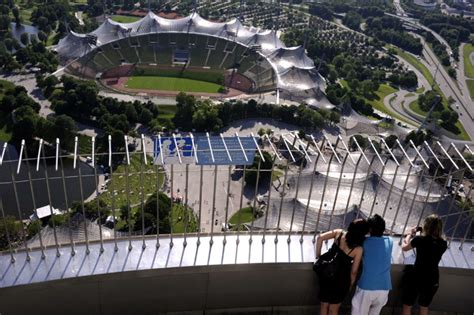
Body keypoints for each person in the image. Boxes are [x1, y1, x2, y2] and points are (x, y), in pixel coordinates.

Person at [315, 219, 369, 315]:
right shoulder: (358, 249)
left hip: (327, 275)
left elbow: (320, 238)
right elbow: (354, 271)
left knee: (324, 305)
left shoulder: (339, 233)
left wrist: (318, 256)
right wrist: (350, 285)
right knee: (333, 309)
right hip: (341, 280)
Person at [401, 214, 447, 315]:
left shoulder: (420, 240)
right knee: (424, 306)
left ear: (426, 226)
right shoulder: (443, 243)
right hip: (433, 279)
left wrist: (409, 234)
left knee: (407, 305)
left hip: (417, 276)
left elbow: (404, 247)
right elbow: (431, 244)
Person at [352, 214, 393, 315]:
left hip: (366, 286)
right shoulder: (390, 241)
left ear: (369, 229)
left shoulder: (364, 243)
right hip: (384, 287)